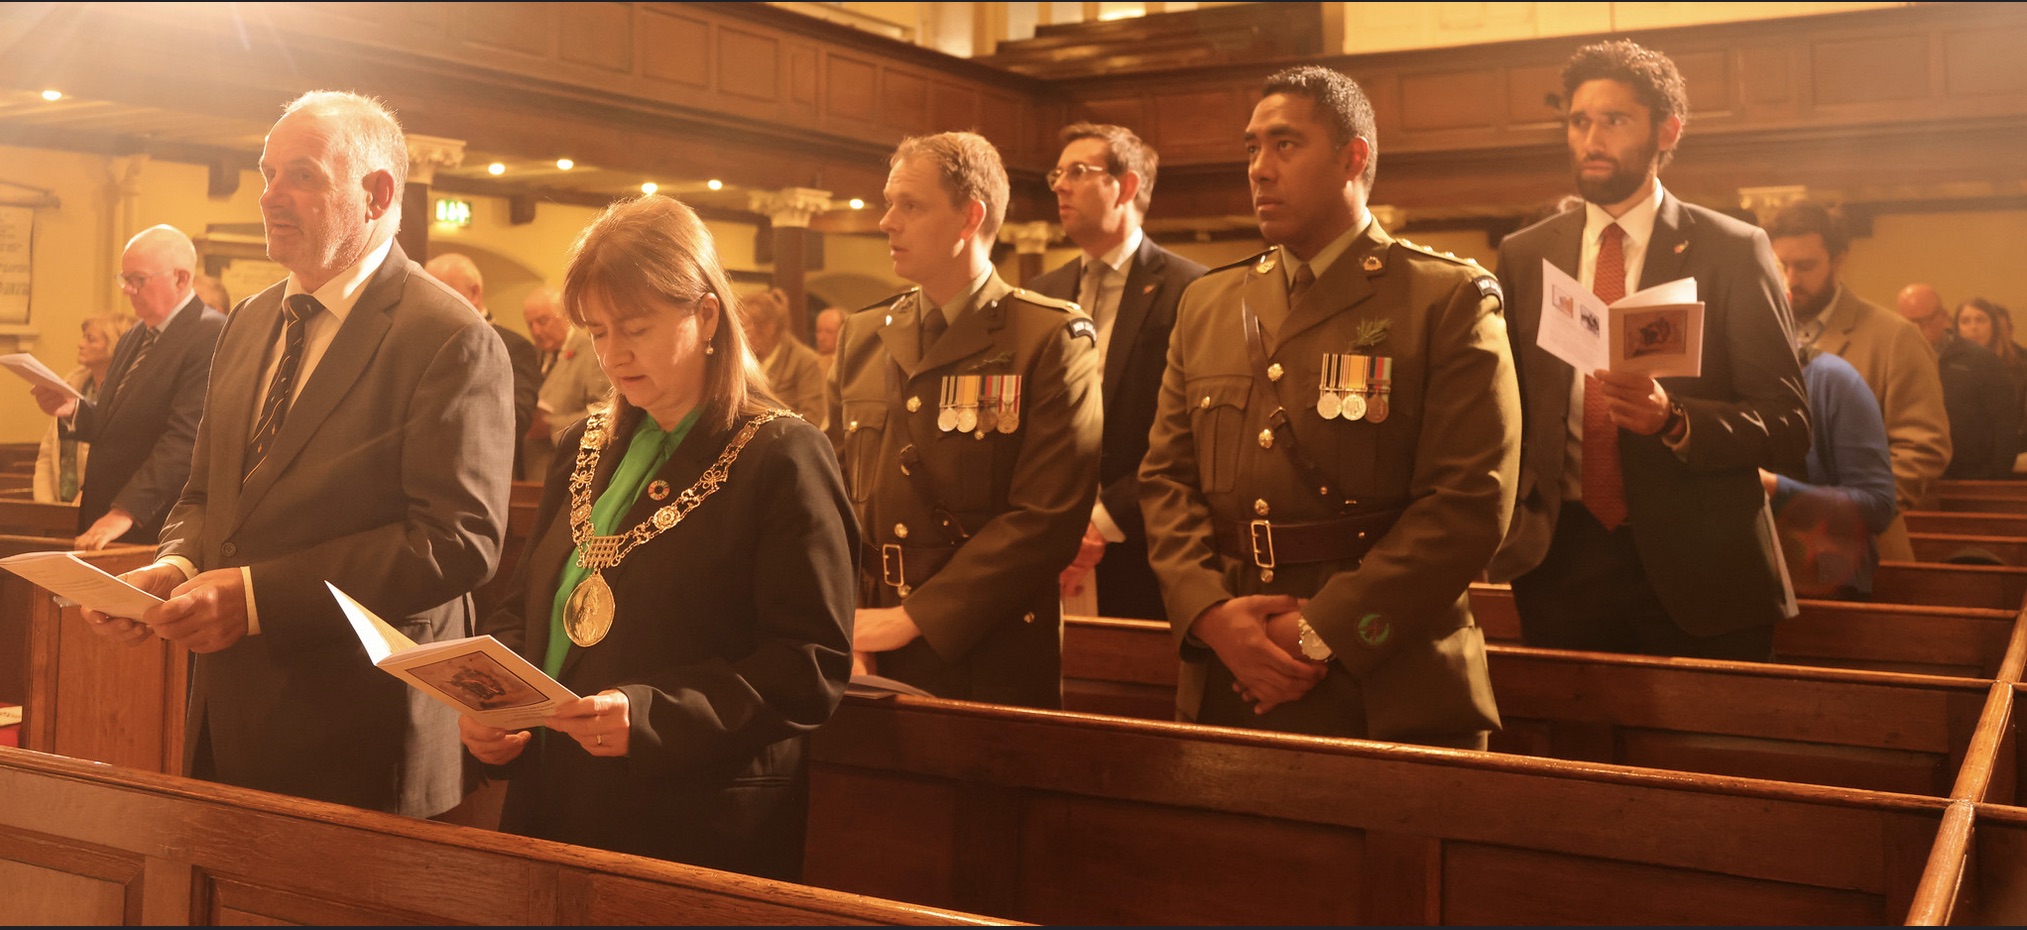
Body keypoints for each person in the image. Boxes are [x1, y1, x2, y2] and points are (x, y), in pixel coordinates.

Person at [80, 90, 515, 818]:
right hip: (231, 708)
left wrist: (253, 599)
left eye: (302, 175)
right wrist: (174, 568)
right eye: (266, 171)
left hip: (363, 724)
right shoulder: (251, 321)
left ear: (376, 194)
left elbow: (457, 543)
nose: (268, 195)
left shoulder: (447, 335)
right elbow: (203, 493)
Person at [460, 195, 854, 880]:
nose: (613, 355)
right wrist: (493, 713)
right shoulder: (584, 444)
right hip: (556, 804)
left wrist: (651, 715)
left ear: (705, 315)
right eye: (598, 332)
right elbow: (524, 607)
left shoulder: (781, 454)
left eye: (634, 328)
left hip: (692, 821)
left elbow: (807, 665)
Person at [1140, 66, 1518, 745]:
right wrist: (1208, 616)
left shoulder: (1444, 297)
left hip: (1385, 678)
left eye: (1284, 145)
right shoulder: (1209, 303)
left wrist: (1319, 632)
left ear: (1353, 158)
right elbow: (1165, 481)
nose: (1258, 168)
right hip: (1231, 668)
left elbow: (1468, 504)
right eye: (1251, 148)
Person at [1488, 39, 1810, 660]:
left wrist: (1676, 419)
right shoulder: (1527, 254)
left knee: (1708, 754)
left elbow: (1788, 423)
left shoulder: (1732, 249)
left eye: (1615, 120)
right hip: (1562, 562)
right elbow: (1513, 406)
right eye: (1580, 121)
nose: (1592, 138)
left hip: (1703, 564)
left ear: (1667, 130)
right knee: (1569, 750)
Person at [826, 131, 1102, 709]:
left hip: (987, 645)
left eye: (910, 205)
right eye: (888, 202)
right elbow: (829, 497)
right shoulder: (863, 336)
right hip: (862, 637)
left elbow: (1045, 520)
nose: (886, 222)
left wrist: (911, 618)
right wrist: (839, 616)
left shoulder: (1047, 337)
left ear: (969, 217)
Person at [1025, 121, 1206, 622]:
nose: (1060, 185)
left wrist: (1103, 521)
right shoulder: (1043, 291)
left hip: (1145, 546)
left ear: (1126, 186)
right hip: (1048, 545)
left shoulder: (1192, 290)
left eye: (1079, 172)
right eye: (1057, 174)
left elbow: (1192, 433)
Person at [1768, 201, 1949, 555]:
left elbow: (1923, 447)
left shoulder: (1894, 336)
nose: (1791, 280)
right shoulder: (1762, 333)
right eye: (1781, 266)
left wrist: (1842, 509)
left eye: (1805, 266)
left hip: (1862, 543)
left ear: (1838, 261)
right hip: (1778, 542)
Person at [30, 226, 226, 550]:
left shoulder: (210, 335)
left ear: (180, 278)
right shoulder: (136, 334)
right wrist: (74, 411)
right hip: (105, 516)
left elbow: (185, 440)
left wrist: (125, 512)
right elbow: (119, 421)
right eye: (125, 279)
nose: (127, 291)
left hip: (152, 524)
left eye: (138, 280)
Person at [1763, 347, 1897, 599]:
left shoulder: (1831, 379)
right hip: (1743, 588)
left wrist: (1776, 488)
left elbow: (1878, 505)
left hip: (1824, 584)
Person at [424, 252, 544, 479]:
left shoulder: (514, 347)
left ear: (474, 292)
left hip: (483, 475)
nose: (433, 303)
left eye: (442, 293)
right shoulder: (424, 344)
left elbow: (516, 419)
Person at [1897, 286, 2019, 479]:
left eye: (1925, 320)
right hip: (1914, 474)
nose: (1918, 329)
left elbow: (2005, 425)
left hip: (1972, 475)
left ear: (1944, 317)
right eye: (1910, 322)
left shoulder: (1981, 359)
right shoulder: (1896, 358)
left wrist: (1995, 475)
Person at [32, 312, 136, 504]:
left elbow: (121, 460)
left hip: (101, 507)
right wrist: (45, 505)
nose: (80, 344)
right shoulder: (72, 384)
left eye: (90, 339)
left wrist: (85, 498)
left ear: (115, 345)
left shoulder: (130, 393)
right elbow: (48, 452)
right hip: (58, 503)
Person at [529, 286, 612, 479]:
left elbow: (605, 412)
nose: (536, 331)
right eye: (530, 324)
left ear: (565, 316)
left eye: (542, 321)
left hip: (570, 470)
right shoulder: (533, 356)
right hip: (532, 471)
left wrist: (551, 427)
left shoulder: (591, 353)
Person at [740, 286, 828, 421]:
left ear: (769, 328)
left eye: (746, 329)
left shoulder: (805, 361)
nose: (742, 337)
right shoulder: (746, 360)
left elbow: (812, 419)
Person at [813, 306, 845, 370]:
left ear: (842, 333)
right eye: (818, 331)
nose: (821, 338)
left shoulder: (846, 364)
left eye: (829, 332)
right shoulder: (809, 363)